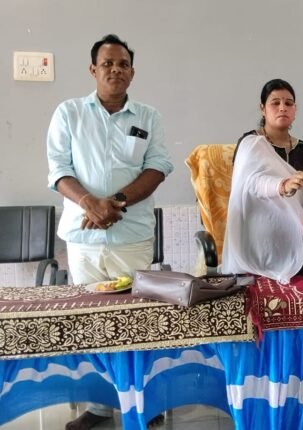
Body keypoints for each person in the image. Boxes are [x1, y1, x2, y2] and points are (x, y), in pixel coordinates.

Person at [46, 34, 174, 430]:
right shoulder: (69, 113)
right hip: (83, 239)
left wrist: (114, 203)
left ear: (132, 73)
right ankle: (100, 406)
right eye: (107, 64)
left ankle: (142, 403)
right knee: (91, 324)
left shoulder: (148, 116)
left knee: (135, 321)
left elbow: (158, 167)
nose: (115, 70)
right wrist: (90, 203)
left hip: (131, 235)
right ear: (93, 70)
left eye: (123, 65)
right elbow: (58, 170)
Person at [222, 78, 303, 283]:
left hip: (298, 244)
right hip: (257, 244)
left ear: (295, 109)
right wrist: (282, 185)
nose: (282, 108)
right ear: (262, 108)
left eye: (288, 103)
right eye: (275, 103)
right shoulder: (250, 143)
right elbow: (250, 184)